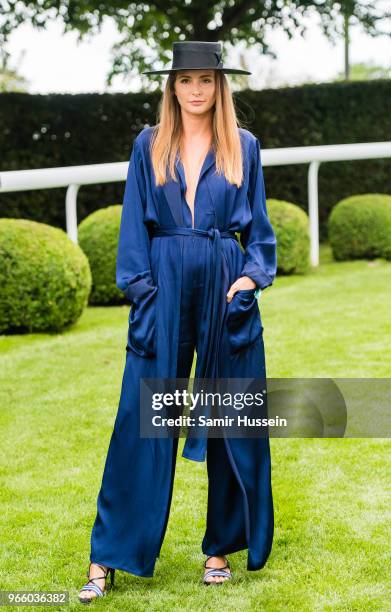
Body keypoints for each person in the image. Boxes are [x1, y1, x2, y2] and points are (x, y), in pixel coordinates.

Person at [78, 40, 277, 603]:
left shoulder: (244, 146)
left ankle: (220, 548)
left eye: (205, 80)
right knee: (141, 418)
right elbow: (131, 233)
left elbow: (259, 230)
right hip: (163, 287)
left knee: (231, 415)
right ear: (172, 88)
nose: (195, 90)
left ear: (220, 87)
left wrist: (249, 278)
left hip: (224, 282)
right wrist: (143, 293)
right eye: (185, 80)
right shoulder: (149, 145)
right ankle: (110, 554)